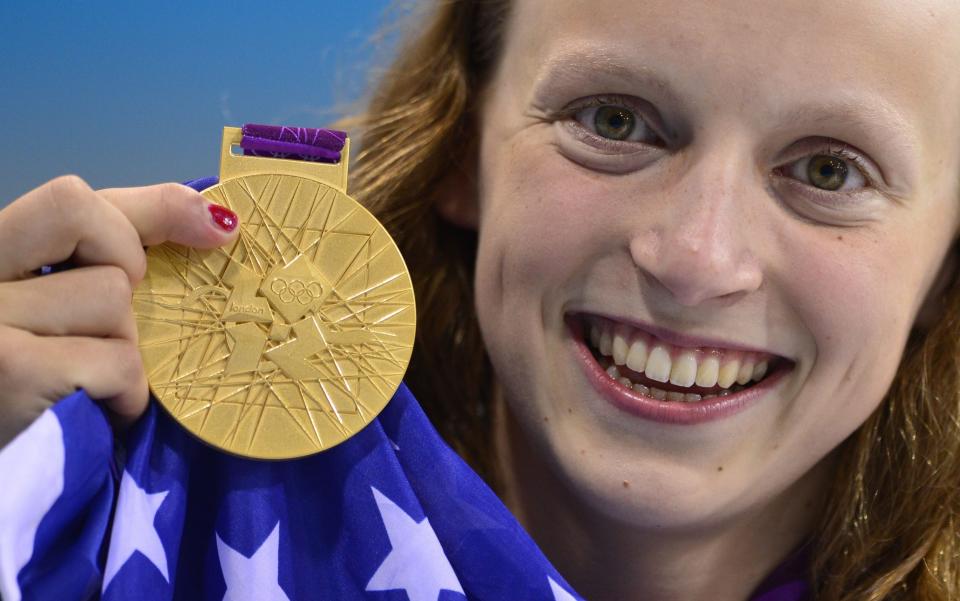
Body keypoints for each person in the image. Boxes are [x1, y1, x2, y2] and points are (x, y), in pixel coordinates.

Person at [2, 0, 959, 599]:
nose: (697, 260)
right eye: (614, 119)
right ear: (462, 145)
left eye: (831, 169)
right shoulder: (107, 501)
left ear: (945, 266)